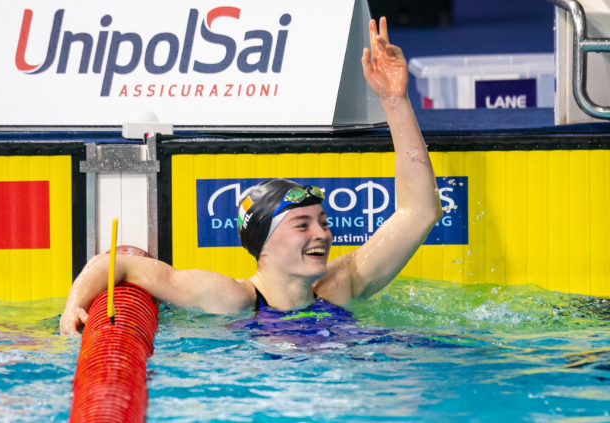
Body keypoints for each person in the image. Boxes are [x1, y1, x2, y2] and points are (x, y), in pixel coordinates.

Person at [60, 17, 442, 335]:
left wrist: (395, 101)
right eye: (302, 225)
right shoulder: (232, 298)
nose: (322, 234)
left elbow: (419, 213)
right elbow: (118, 264)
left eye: (322, 222)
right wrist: (73, 307)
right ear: (263, 242)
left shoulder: (343, 285)